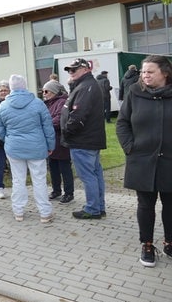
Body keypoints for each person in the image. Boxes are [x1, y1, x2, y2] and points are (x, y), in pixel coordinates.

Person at [116, 54, 172, 267]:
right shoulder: (135, 92)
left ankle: (170, 241)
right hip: (141, 160)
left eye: (150, 72)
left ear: (165, 73)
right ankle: (147, 245)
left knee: (171, 205)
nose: (145, 76)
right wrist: (130, 147)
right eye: (143, 72)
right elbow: (122, 123)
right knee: (145, 205)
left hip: (169, 160)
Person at [0, 75, 55, 223]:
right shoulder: (38, 103)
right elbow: (48, 126)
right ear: (25, 86)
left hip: (14, 148)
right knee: (39, 180)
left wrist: (7, 139)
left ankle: (18, 211)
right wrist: (50, 145)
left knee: (18, 180)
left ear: (11, 87)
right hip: (37, 147)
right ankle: (45, 213)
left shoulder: (3, 105)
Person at [60, 58, 107, 219]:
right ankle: (98, 207)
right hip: (88, 140)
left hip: (83, 141)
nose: (70, 73)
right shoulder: (84, 85)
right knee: (94, 174)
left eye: (74, 69)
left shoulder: (86, 87)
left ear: (86, 69)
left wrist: (66, 131)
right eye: (69, 70)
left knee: (88, 176)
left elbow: (78, 116)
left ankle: (93, 208)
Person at [42, 80, 75, 204]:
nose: (44, 94)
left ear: (54, 92)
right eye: (43, 91)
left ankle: (68, 193)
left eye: (47, 91)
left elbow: (59, 120)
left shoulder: (61, 102)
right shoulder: (47, 103)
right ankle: (56, 190)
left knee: (64, 168)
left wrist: (44, 124)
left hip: (60, 141)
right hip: (51, 142)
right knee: (53, 167)